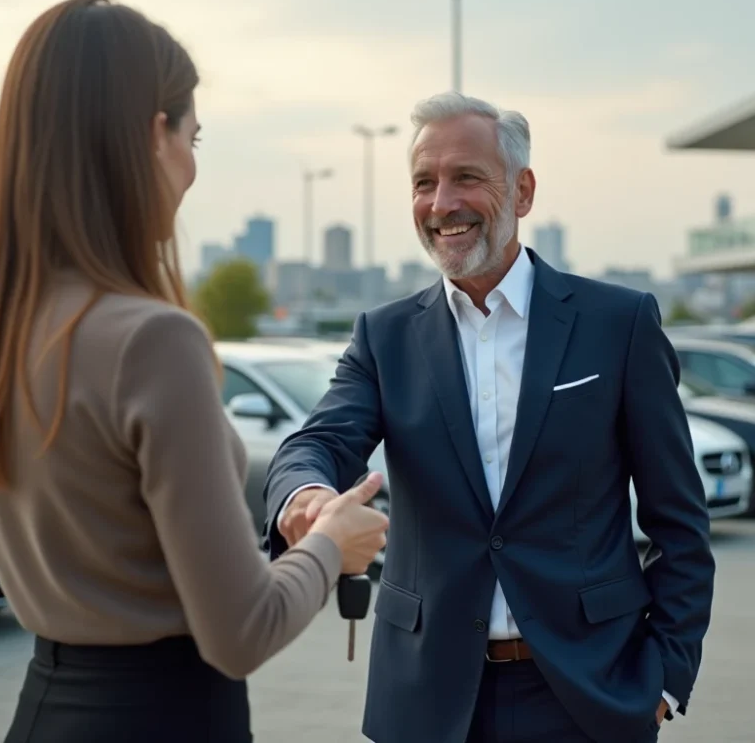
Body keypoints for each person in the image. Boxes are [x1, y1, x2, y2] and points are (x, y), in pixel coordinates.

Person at [0, 0, 388, 743]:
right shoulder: (153, 341)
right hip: (164, 717)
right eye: (193, 136)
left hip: (45, 709)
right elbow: (242, 631)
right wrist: (333, 543)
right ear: (151, 135)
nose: (194, 167)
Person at [263, 92, 716, 743]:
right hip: (427, 702)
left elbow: (680, 523)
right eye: (424, 183)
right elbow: (320, 442)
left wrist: (665, 679)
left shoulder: (618, 325)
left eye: (466, 178)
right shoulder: (384, 337)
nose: (442, 203)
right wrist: (305, 495)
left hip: (589, 696)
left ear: (523, 191)